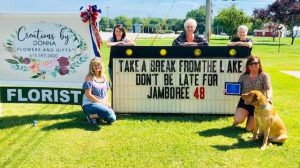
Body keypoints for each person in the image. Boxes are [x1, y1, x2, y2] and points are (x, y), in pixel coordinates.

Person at [232, 55, 272, 131]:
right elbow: (237, 87)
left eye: (256, 63)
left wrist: (269, 98)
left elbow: (268, 89)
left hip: (258, 104)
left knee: (249, 129)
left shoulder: (264, 76)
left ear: (259, 64)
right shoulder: (244, 76)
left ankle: (250, 119)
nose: (253, 65)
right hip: (245, 101)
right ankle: (238, 120)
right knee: (238, 120)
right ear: (248, 66)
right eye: (251, 64)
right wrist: (228, 90)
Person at [82, 57, 116, 126]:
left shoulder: (104, 76)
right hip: (89, 104)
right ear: (91, 67)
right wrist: (103, 103)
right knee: (107, 111)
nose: (97, 67)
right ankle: (90, 116)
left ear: (101, 66)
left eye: (98, 65)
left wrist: (105, 102)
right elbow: (89, 95)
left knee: (112, 118)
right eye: (94, 65)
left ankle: (95, 116)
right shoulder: (89, 77)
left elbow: (106, 92)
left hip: (101, 103)